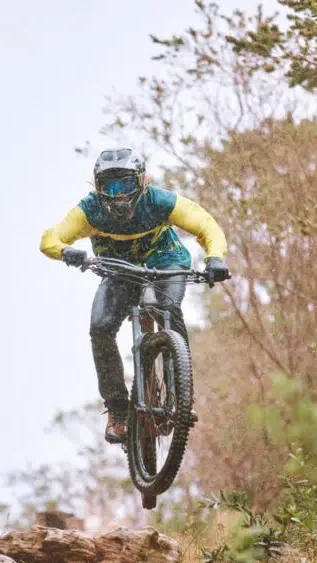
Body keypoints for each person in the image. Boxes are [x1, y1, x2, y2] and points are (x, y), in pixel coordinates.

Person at [39, 147, 230, 443]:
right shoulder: (89, 210)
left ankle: (181, 392)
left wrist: (215, 257)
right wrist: (67, 252)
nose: (118, 195)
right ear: (97, 187)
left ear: (141, 182)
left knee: (167, 308)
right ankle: (118, 410)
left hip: (166, 261)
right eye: (109, 187)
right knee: (101, 329)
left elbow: (205, 224)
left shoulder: (159, 201)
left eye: (125, 185)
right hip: (119, 272)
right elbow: (49, 238)